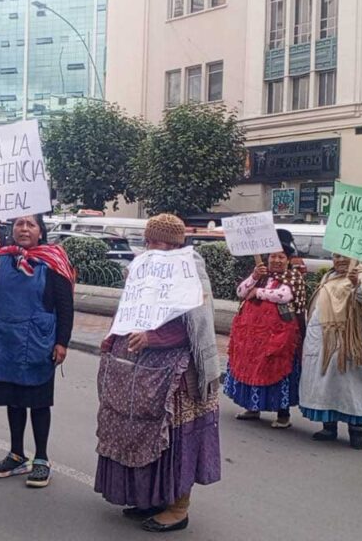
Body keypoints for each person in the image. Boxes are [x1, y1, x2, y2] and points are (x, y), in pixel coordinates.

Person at [94, 214, 222, 534]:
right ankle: (151, 497)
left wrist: (154, 338)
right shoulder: (142, 267)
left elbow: (196, 326)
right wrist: (114, 336)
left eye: (158, 242)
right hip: (140, 369)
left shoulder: (189, 270)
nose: (150, 246)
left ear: (175, 244)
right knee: (141, 433)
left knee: (175, 438)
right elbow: (129, 309)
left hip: (177, 375)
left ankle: (178, 508)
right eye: (148, 240)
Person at [0, 214, 74, 488]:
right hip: (5, 340)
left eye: (30, 224)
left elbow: (65, 305)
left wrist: (62, 342)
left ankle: (41, 458)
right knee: (14, 400)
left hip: (39, 342)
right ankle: (16, 454)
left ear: (40, 231)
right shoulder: (1, 256)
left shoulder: (53, 260)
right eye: (19, 224)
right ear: (11, 230)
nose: (24, 229)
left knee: (39, 402)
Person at [299, 253, 362, 450]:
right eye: (336, 256)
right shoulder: (328, 277)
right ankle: (328, 428)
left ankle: (356, 432)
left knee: (353, 388)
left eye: (345, 256)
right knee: (327, 385)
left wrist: (358, 286)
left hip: (354, 345)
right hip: (327, 344)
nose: (340, 260)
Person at [223, 241, 307, 427]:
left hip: (280, 336)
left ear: (288, 260)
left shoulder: (293, 276)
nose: (276, 260)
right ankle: (252, 407)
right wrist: (254, 277)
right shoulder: (262, 274)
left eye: (281, 257)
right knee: (253, 367)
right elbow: (241, 291)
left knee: (279, 370)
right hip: (253, 337)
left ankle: (283, 415)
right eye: (273, 256)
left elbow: (283, 295)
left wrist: (258, 292)